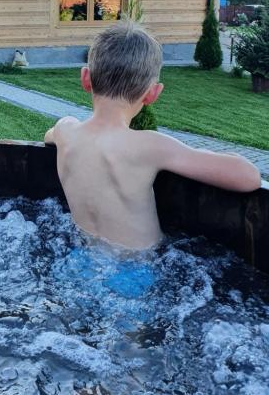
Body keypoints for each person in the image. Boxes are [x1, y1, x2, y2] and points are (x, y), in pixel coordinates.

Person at [44, 22, 261, 250]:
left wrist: (60, 133)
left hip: (81, 260)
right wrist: (204, 153)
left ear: (85, 79)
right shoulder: (150, 146)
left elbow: (50, 136)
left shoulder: (65, 131)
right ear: (152, 94)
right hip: (137, 273)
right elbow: (249, 177)